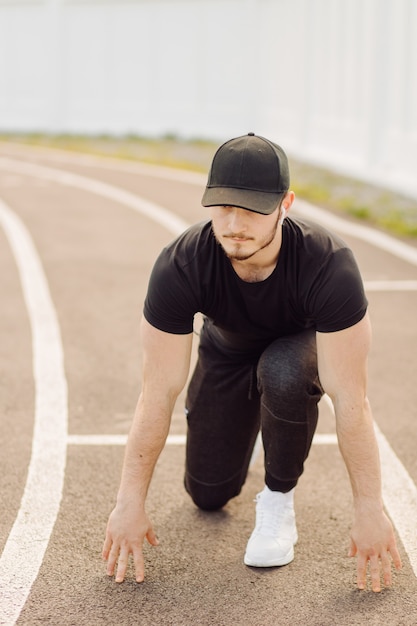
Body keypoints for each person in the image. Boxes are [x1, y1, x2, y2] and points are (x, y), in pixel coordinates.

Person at [102, 132, 402, 592]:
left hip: (299, 349)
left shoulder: (329, 265)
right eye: (223, 206)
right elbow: (157, 391)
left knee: (281, 372)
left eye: (252, 208)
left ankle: (279, 498)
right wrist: (128, 502)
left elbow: (352, 400)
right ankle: (267, 426)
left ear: (286, 203)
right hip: (225, 351)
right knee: (207, 495)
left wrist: (369, 509)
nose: (235, 223)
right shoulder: (181, 266)